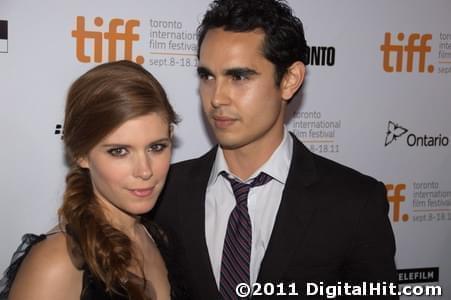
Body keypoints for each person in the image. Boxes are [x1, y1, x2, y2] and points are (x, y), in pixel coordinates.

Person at [152, 0, 398, 299]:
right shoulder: (164, 191)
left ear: (290, 80)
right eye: (207, 76)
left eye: (239, 77)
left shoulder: (354, 202)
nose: (217, 97)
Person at [0, 60, 187, 299]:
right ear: (81, 154)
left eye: (157, 147)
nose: (145, 171)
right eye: (119, 151)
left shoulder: (159, 239)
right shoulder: (57, 263)